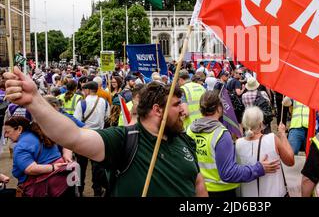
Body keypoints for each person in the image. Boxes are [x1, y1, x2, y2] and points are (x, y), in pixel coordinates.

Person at [3, 67, 207, 197]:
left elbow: (197, 182)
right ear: (157, 110)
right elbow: (74, 137)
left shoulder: (184, 140)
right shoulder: (124, 139)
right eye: (177, 104)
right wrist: (35, 101)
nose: (184, 110)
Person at [187, 91, 280, 197]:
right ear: (219, 108)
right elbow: (228, 173)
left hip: (198, 189)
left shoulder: (190, 129)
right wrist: (258, 168)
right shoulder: (220, 134)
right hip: (222, 191)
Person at [3, 116, 71, 197]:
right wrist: (67, 155)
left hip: (42, 188)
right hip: (64, 182)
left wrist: (53, 167)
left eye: (7, 132)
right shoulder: (41, 134)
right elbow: (68, 139)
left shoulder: (21, 146)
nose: (5, 135)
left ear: (19, 129)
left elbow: (30, 169)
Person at [236, 106, 294, 197]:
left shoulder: (238, 144)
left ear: (244, 124)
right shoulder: (272, 139)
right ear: (260, 123)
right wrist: (282, 134)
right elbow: (290, 161)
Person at [73, 81, 110, 196]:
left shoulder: (82, 103)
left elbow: (76, 120)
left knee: (81, 166)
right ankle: (97, 191)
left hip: (84, 138)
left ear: (88, 90)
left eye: (84, 90)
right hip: (99, 137)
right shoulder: (104, 102)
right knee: (97, 167)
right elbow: (107, 117)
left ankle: (80, 190)